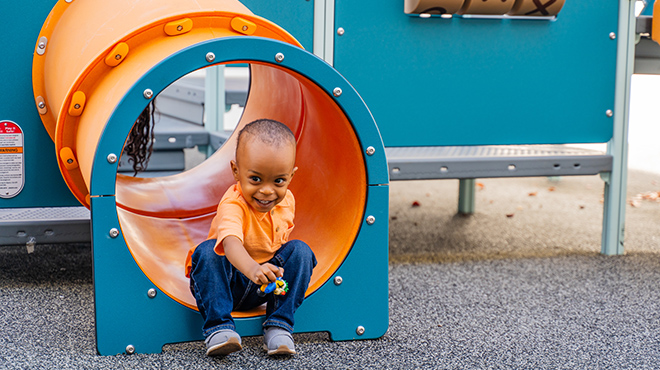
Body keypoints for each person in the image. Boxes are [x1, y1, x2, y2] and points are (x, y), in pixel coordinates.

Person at [185, 119, 317, 357]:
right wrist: (253, 269)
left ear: (291, 176)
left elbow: (280, 250)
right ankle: (219, 328)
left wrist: (267, 272)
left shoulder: (287, 201)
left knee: (301, 250)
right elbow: (231, 243)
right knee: (206, 252)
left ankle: (279, 326)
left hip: (264, 285)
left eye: (278, 181)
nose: (267, 191)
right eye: (255, 179)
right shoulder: (233, 204)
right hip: (226, 282)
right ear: (236, 170)